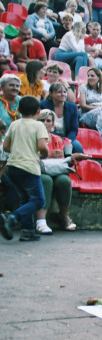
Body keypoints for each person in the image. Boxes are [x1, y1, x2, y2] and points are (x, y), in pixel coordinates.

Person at [0, 95, 49, 241]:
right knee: (39, 200)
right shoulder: (39, 125)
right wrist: (44, 153)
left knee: (25, 199)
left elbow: (6, 146)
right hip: (29, 167)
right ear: (38, 112)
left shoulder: (14, 125)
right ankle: (11, 218)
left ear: (19, 110)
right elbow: (41, 146)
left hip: (12, 167)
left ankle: (27, 230)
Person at [76, 68, 102, 148]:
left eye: (92, 76)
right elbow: (83, 106)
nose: (89, 78)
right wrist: (98, 108)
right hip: (86, 114)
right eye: (88, 76)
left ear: (99, 78)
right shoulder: (83, 88)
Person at [40, 81, 81, 153]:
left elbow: (74, 129)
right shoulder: (43, 105)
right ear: (51, 94)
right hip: (49, 136)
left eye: (64, 92)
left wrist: (68, 140)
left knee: (77, 146)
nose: (63, 94)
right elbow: (43, 125)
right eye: (59, 92)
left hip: (67, 138)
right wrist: (58, 138)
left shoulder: (73, 107)